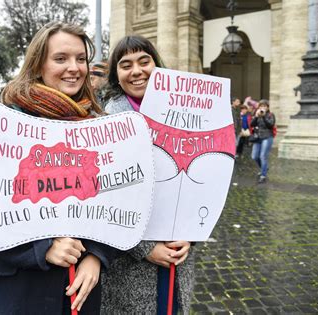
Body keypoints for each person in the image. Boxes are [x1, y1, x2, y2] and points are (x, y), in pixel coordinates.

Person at [0, 22, 115, 315]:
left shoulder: (99, 127)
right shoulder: (3, 125)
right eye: (60, 58)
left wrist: (97, 256)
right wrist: (41, 247)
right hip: (16, 291)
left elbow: (116, 203)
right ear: (38, 65)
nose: (74, 67)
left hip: (76, 291)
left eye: (81, 59)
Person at [101, 35, 194, 314]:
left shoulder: (187, 115)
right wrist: (144, 249)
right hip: (130, 267)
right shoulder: (103, 123)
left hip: (179, 256)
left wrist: (191, 235)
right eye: (126, 64)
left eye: (144, 61)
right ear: (116, 75)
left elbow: (203, 185)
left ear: (157, 65)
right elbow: (102, 199)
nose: (137, 71)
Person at [250, 99, 275, 183]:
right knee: (254, 156)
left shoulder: (270, 115)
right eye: (261, 106)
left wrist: (264, 116)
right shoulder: (257, 114)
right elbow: (252, 124)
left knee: (263, 156)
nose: (263, 107)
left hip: (267, 137)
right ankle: (264, 167)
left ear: (267, 107)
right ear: (259, 107)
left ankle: (263, 175)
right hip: (258, 137)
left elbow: (271, 125)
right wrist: (256, 117)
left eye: (265, 106)